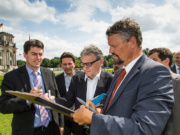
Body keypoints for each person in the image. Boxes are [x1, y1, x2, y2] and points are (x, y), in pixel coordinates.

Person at [70, 18, 174, 135]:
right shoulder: (120, 73)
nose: (110, 51)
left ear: (132, 42)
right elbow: (110, 100)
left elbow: (145, 128)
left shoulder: (155, 72)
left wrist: (93, 118)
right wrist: (99, 108)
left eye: (114, 45)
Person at [0, 39, 61, 135]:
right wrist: (28, 99)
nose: (38, 57)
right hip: (26, 131)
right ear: (25, 55)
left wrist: (60, 125)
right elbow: (3, 106)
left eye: (40, 54)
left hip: (51, 129)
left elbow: (57, 98)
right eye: (34, 54)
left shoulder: (49, 73)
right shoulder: (11, 77)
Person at [54, 45, 114, 135]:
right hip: (79, 129)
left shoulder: (111, 79)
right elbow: (68, 100)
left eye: (89, 64)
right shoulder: (76, 78)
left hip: (100, 130)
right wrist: (52, 100)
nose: (85, 68)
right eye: (83, 64)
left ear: (101, 62)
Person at [148, 47, 180, 135]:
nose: (150, 64)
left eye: (154, 60)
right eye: (149, 61)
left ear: (166, 61)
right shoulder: (145, 85)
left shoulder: (178, 81)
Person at [55, 52, 81, 135]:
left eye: (70, 64)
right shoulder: (56, 80)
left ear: (75, 64)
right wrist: (60, 124)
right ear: (61, 65)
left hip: (80, 118)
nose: (67, 67)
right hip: (64, 120)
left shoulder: (83, 77)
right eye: (64, 64)